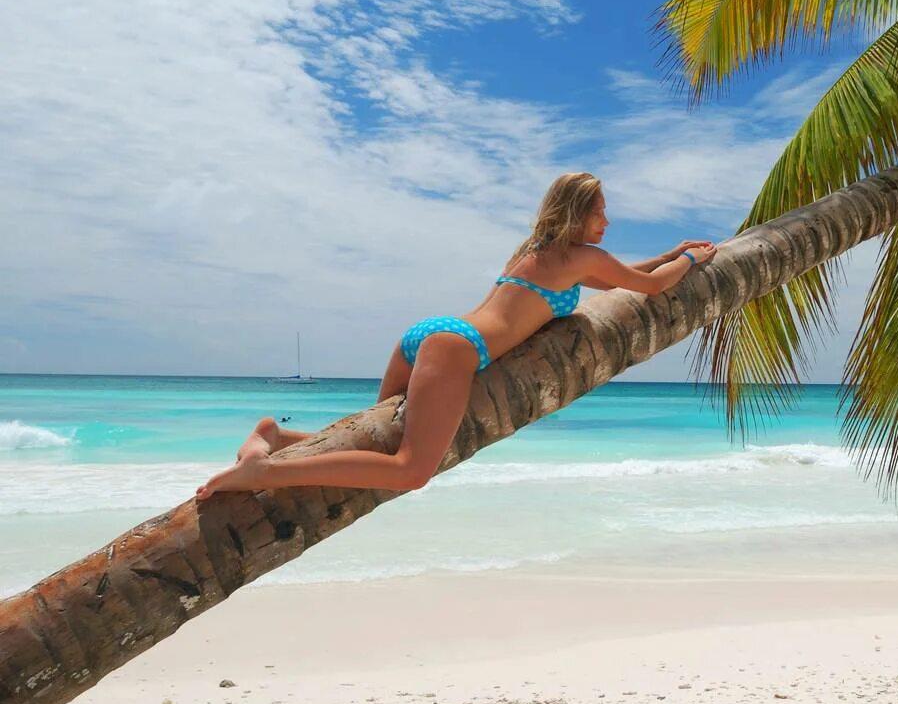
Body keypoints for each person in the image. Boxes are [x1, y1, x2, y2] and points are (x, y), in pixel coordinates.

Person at [196, 173, 715, 500]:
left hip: (429, 334)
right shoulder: (584, 257)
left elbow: (619, 275)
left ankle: (277, 436)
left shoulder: (534, 251)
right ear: (578, 212)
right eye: (599, 210)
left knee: (379, 441)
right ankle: (263, 473)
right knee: (410, 470)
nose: (607, 220)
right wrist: (691, 260)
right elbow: (648, 286)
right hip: (460, 350)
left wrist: (669, 252)